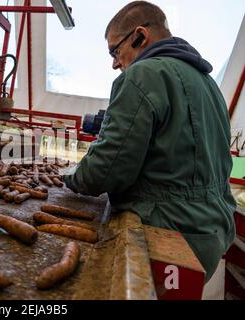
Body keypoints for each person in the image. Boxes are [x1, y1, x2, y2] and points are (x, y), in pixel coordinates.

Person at [64, 1, 236, 282]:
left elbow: (106, 169)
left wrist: (70, 176)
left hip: (169, 230)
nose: (114, 63)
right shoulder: (208, 84)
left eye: (115, 51)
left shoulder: (142, 75)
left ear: (140, 36)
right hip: (212, 231)